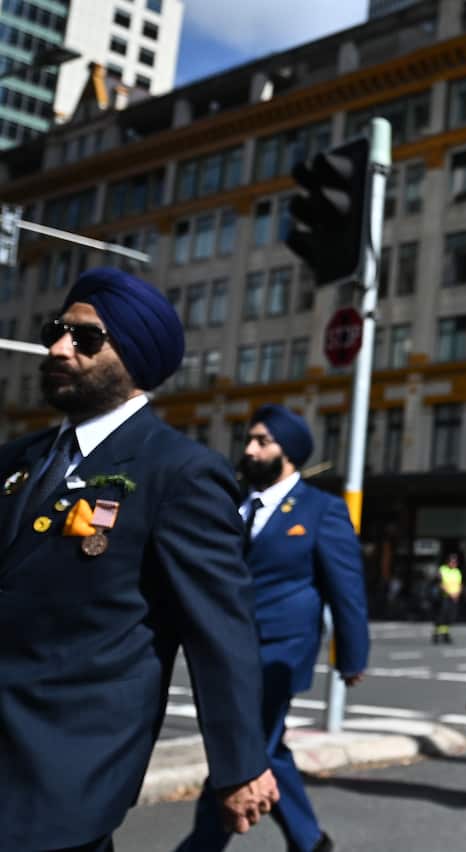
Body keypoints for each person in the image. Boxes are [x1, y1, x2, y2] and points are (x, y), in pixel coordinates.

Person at [0, 268, 278, 851]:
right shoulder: (16, 460)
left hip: (64, 765)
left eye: (85, 338)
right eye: (56, 332)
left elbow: (219, 628)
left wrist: (240, 764)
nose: (59, 349)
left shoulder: (179, 472)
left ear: (135, 357)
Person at [177, 404, 369, 852]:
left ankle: (200, 845)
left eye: (263, 441)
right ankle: (310, 841)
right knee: (268, 747)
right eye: (249, 440)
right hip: (232, 650)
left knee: (242, 751)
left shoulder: (322, 510)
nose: (249, 449)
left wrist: (352, 654)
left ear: (290, 452)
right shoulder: (237, 506)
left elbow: (347, 589)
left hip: (282, 652)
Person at [434, 553, 463, 644]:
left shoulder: (457, 571)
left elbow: (459, 584)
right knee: (442, 615)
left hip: (454, 597)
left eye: (455, 562)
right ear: (448, 562)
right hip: (445, 597)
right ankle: (436, 634)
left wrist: (457, 594)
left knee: (450, 616)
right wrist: (451, 594)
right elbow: (441, 583)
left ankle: (445, 634)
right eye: (452, 561)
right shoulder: (443, 569)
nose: (454, 563)